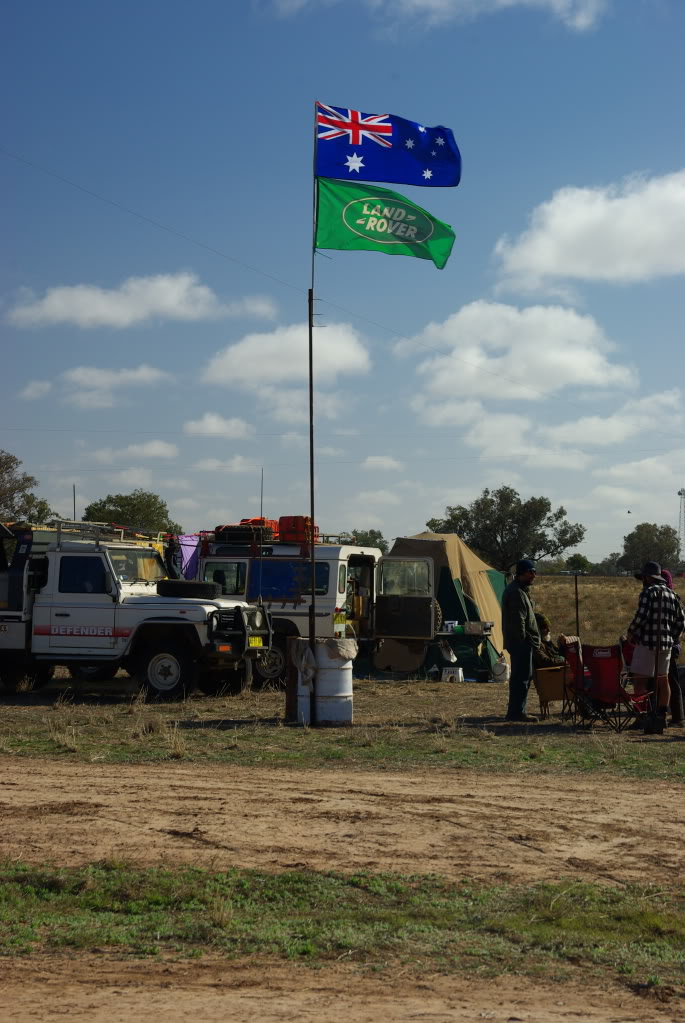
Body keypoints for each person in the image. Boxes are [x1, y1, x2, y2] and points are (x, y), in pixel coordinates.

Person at [627, 561, 685, 732]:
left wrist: (631, 633)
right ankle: (660, 716)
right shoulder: (673, 595)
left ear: (647, 577)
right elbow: (681, 622)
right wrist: (672, 637)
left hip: (646, 642)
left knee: (639, 682)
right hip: (666, 645)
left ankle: (643, 716)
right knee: (663, 679)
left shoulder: (647, 593)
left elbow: (641, 616)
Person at [502, 559, 541, 722]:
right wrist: (525, 641)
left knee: (522, 676)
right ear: (521, 574)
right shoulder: (516, 592)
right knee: (521, 678)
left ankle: (517, 710)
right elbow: (519, 621)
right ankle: (516, 712)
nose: (533, 575)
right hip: (520, 643)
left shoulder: (520, 590)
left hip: (521, 642)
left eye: (534, 572)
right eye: (530, 572)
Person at [661, 569, 684, 726]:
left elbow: (681, 624)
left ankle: (677, 717)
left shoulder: (673, 599)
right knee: (669, 680)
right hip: (670, 644)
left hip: (669, 646)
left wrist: (671, 638)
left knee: (671, 680)